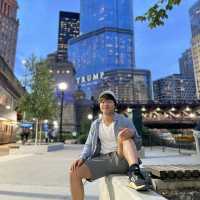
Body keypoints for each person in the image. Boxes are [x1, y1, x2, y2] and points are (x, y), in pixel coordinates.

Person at [69, 91, 147, 200]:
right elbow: (89, 144)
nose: (105, 104)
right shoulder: (95, 124)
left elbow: (138, 144)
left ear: (114, 105)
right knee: (74, 172)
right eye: (102, 102)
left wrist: (132, 134)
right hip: (103, 159)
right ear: (100, 105)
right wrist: (82, 157)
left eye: (109, 101)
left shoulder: (124, 121)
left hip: (122, 158)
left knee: (124, 137)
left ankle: (135, 174)